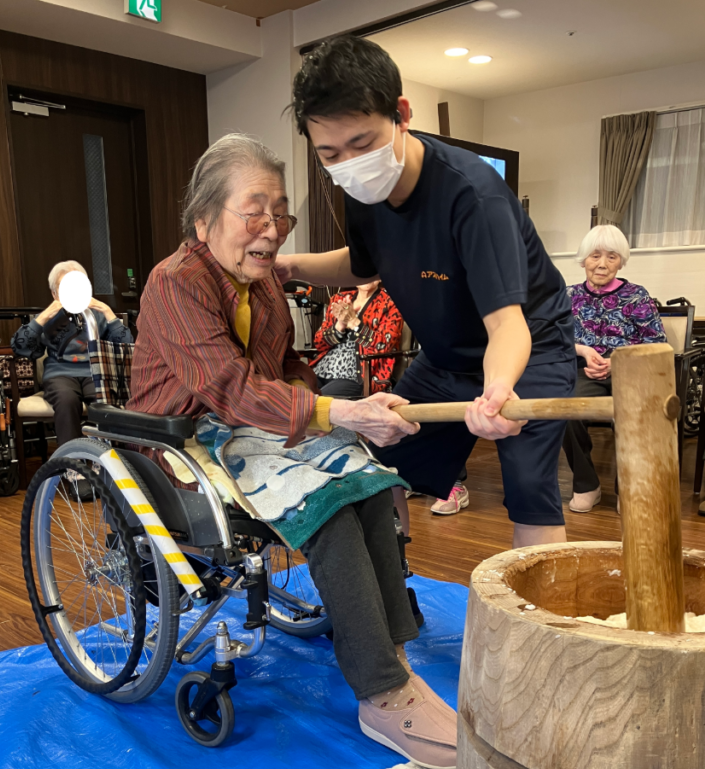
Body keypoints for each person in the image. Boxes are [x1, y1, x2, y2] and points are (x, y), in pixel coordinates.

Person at [126, 134, 458, 769]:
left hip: (253, 426)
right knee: (325, 500)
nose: (273, 228)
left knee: (365, 475)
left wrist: (351, 419)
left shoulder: (266, 284)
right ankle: (381, 693)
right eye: (255, 211)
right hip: (183, 436)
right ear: (204, 219)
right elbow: (227, 387)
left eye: (281, 213)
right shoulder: (175, 283)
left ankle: (393, 652)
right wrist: (333, 411)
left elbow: (283, 369)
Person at [279, 35, 577, 550]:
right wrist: (287, 266)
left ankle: (538, 626)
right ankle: (393, 597)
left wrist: (498, 391)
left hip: (528, 353)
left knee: (530, 487)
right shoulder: (360, 189)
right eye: (330, 153)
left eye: (363, 144)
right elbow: (365, 265)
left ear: (401, 113)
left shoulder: (472, 196)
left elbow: (508, 323)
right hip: (444, 360)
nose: (348, 163)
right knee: (380, 467)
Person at [563, 224, 666, 512]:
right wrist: (582, 350)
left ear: (621, 261)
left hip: (630, 371)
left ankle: (629, 488)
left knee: (634, 410)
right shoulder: (568, 296)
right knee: (565, 406)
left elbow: (657, 342)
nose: (602, 264)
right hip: (583, 368)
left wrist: (616, 359)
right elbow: (551, 338)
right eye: (595, 256)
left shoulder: (636, 295)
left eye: (612, 256)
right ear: (584, 259)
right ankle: (586, 484)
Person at [11, 260, 133, 497]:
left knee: (103, 397)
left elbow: (126, 346)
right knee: (67, 401)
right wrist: (48, 313)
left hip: (94, 371)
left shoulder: (97, 315)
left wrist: (108, 312)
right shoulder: (48, 318)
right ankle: (74, 470)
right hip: (60, 374)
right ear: (55, 292)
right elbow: (21, 347)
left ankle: (102, 463)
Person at [311, 280, 402, 397]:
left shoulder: (391, 302)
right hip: (321, 369)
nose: (366, 277)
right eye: (362, 272)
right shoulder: (338, 299)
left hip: (358, 376)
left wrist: (354, 322)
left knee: (317, 401)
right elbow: (319, 343)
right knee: (296, 396)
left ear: (379, 277)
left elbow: (384, 346)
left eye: (371, 271)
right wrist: (340, 326)